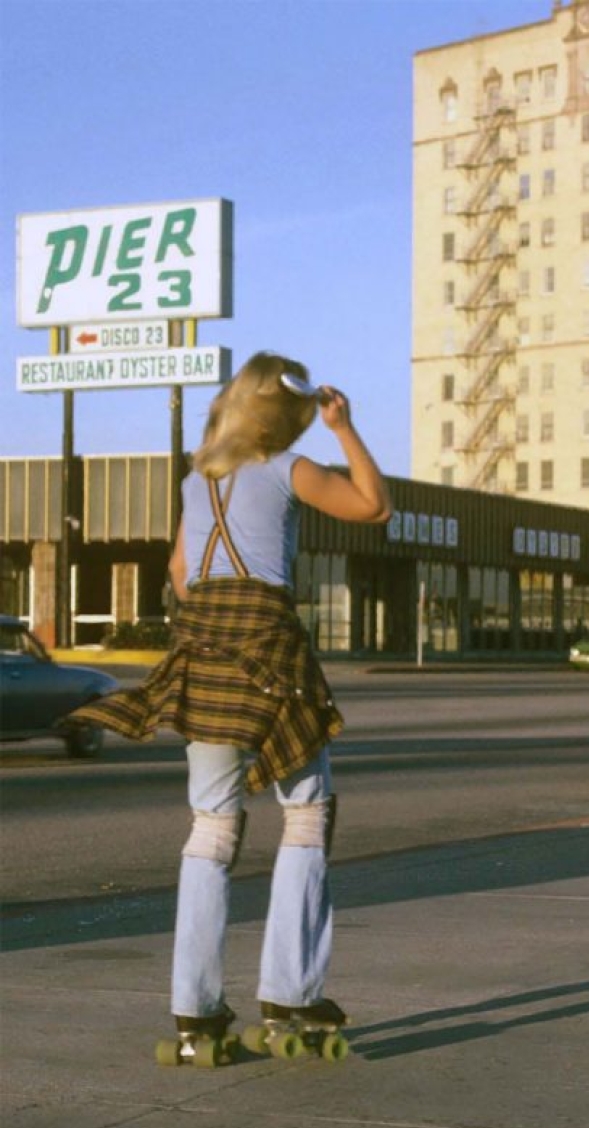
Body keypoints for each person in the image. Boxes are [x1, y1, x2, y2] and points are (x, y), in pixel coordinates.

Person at [69, 351, 392, 1058]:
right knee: (306, 812)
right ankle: (289, 997)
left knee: (210, 830)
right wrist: (345, 431)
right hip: (269, 655)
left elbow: (181, 574)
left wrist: (215, 623)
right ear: (290, 415)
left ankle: (195, 1018)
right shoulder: (286, 470)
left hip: (203, 656)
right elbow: (373, 505)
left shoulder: (197, 481)